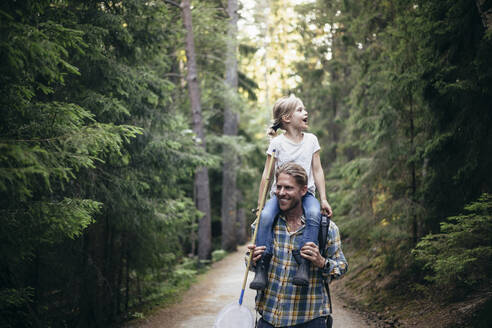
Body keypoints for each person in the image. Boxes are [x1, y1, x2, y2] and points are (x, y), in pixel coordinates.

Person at [248, 163, 348, 328]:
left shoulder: (326, 228)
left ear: (303, 191)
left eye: (288, 188)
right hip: (268, 319)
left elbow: (341, 266)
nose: (281, 193)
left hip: (309, 320)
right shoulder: (262, 225)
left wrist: (321, 262)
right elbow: (249, 263)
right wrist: (252, 260)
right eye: (278, 187)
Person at [250, 95, 333, 290]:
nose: (306, 113)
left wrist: (324, 199)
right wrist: (260, 202)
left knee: (313, 214)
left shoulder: (311, 140)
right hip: (279, 195)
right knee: (266, 216)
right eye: (300, 110)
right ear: (286, 118)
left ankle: (303, 263)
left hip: (307, 194)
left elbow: (318, 170)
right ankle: (262, 265)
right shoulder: (277, 143)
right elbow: (266, 175)